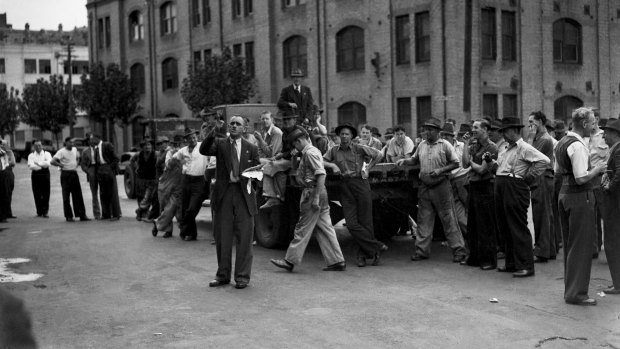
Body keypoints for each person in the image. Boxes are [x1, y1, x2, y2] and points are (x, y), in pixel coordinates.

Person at [271, 126, 346, 272]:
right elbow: (299, 168)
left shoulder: (310, 153)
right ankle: (337, 261)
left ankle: (290, 261)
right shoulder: (310, 152)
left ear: (299, 141)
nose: (294, 147)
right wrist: (293, 156)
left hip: (312, 192)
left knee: (302, 228)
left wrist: (316, 197)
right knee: (325, 227)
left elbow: (321, 174)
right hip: (316, 191)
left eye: (295, 144)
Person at [200, 116, 260, 289]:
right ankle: (222, 275)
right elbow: (204, 150)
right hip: (224, 194)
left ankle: (242, 277)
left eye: (238, 124)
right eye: (231, 123)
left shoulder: (251, 148)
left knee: (245, 236)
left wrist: (250, 176)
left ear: (244, 128)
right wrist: (213, 131)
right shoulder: (220, 144)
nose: (234, 126)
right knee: (222, 236)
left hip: (244, 195)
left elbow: (258, 173)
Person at [396, 117, 467, 263]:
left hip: (441, 187)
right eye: (425, 129)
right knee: (424, 220)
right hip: (425, 187)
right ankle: (422, 251)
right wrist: (405, 161)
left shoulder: (445, 145)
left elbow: (455, 163)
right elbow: (415, 160)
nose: (426, 132)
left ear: (437, 132)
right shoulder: (422, 145)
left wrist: (440, 170)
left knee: (449, 219)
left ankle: (459, 250)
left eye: (430, 129)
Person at [555, 107, 606, 305]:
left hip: (564, 195)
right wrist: (598, 170)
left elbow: (558, 171)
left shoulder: (561, 143)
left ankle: (571, 290)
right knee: (581, 246)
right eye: (593, 123)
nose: (595, 126)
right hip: (579, 198)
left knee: (570, 245)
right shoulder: (578, 145)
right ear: (584, 124)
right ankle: (577, 294)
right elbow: (581, 177)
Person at [488, 117, 550, 278]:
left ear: (515, 130)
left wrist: (528, 177)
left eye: (506, 131)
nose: (503, 135)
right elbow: (499, 168)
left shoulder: (524, 147)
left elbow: (544, 160)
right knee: (504, 226)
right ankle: (511, 262)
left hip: (514, 186)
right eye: (502, 131)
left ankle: (526, 265)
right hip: (502, 184)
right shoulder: (505, 149)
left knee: (517, 226)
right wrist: (490, 162)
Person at [323, 123, 387, 267]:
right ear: (338, 136)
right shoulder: (334, 150)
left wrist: (369, 168)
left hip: (361, 184)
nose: (344, 136)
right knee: (351, 224)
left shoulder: (358, 148)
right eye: (342, 134)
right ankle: (376, 247)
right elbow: (321, 160)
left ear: (352, 136)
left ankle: (363, 256)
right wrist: (332, 165)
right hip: (345, 186)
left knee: (366, 222)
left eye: (347, 134)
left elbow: (379, 154)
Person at [461, 119, 499, 270]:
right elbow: (464, 164)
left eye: (476, 127)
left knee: (486, 226)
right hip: (474, 187)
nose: (473, 130)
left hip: (486, 188)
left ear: (485, 130)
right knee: (473, 225)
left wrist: (471, 163)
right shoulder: (473, 145)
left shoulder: (492, 147)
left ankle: (488, 260)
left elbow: (483, 170)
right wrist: (465, 145)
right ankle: (474, 258)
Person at [527, 111, 557, 263]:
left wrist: (530, 137)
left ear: (540, 121)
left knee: (541, 215)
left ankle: (542, 251)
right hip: (543, 177)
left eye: (532, 121)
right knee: (546, 214)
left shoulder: (544, 140)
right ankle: (549, 249)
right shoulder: (542, 138)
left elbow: (527, 154)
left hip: (542, 177)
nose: (530, 125)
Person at [174, 129, 209, 241]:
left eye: (194, 137)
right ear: (186, 140)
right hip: (186, 180)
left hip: (199, 181)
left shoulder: (202, 146)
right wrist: (180, 164)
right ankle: (191, 234)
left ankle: (183, 226)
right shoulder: (183, 150)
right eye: (190, 138)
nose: (193, 140)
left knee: (192, 208)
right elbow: (172, 159)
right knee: (185, 207)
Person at [260, 113, 298, 209]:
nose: (286, 122)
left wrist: (280, 155)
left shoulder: (298, 131)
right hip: (286, 158)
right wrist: (280, 155)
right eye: (284, 119)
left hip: (298, 160)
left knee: (272, 165)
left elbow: (301, 148)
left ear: (295, 120)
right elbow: (285, 150)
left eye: (289, 119)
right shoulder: (284, 132)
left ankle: (274, 196)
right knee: (269, 165)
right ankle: (273, 195)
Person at [600, 119, 620, 295]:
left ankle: (618, 284)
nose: (604, 135)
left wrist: (608, 186)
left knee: (613, 243)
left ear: (615, 134)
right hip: (614, 202)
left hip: (615, 203)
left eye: (606, 132)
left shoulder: (619, 149)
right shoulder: (615, 149)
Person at [51, 137, 90, 222]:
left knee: (78, 195)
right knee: (66, 196)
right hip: (65, 174)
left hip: (74, 173)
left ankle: (82, 215)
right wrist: (60, 165)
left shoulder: (75, 150)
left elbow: (78, 157)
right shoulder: (61, 152)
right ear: (66, 143)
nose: (72, 144)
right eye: (70, 143)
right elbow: (52, 161)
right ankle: (69, 216)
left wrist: (77, 162)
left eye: (72, 143)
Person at [440, 123, 468, 237]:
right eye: (443, 136)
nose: (445, 138)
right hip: (450, 183)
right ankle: (470, 239)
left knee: (471, 211)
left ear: (453, 137)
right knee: (458, 216)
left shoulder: (462, 146)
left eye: (448, 136)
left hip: (465, 181)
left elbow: (468, 160)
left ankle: (474, 243)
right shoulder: (441, 149)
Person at [588, 110, 610, 258]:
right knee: (591, 215)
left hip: (602, 179)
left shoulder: (604, 136)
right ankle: (594, 248)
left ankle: (610, 247)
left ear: (596, 119)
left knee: (606, 214)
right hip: (588, 179)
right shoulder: (583, 137)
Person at [90, 134, 122, 221]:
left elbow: (116, 158)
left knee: (112, 192)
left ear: (97, 138)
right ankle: (106, 214)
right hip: (100, 170)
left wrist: (110, 168)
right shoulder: (96, 149)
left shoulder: (107, 145)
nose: (91, 141)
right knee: (103, 193)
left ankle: (116, 214)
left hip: (108, 169)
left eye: (92, 139)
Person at [133, 140, 158, 222]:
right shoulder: (139, 154)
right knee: (141, 196)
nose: (147, 147)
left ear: (152, 146)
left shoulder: (155, 154)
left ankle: (139, 210)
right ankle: (142, 214)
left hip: (152, 179)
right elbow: (132, 160)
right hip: (141, 178)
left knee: (149, 197)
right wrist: (136, 167)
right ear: (142, 147)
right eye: (145, 146)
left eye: (149, 145)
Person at [27, 139, 52, 218]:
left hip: (45, 174)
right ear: (33, 146)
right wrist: (42, 165)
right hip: (35, 175)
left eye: (39, 145)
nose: (38, 147)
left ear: (42, 146)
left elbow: (48, 163)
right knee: (36, 192)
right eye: (36, 146)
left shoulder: (47, 154)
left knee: (46, 192)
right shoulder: (31, 155)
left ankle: (45, 211)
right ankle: (39, 211)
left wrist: (37, 164)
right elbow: (31, 166)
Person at [80, 134, 101, 219]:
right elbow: (82, 164)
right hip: (91, 170)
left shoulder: (99, 149)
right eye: (91, 140)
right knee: (94, 194)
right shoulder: (85, 151)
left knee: (104, 192)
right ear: (88, 141)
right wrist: (88, 171)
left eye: (94, 140)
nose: (92, 141)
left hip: (100, 169)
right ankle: (97, 214)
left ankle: (107, 212)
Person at [0, 140, 16, 219]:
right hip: (2, 173)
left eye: (4, 144)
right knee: (4, 194)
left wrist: (5, 163)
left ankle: (8, 212)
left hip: (9, 173)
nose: (2, 146)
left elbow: (13, 162)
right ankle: (3, 213)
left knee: (8, 193)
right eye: (1, 144)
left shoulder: (9, 152)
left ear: (7, 145)